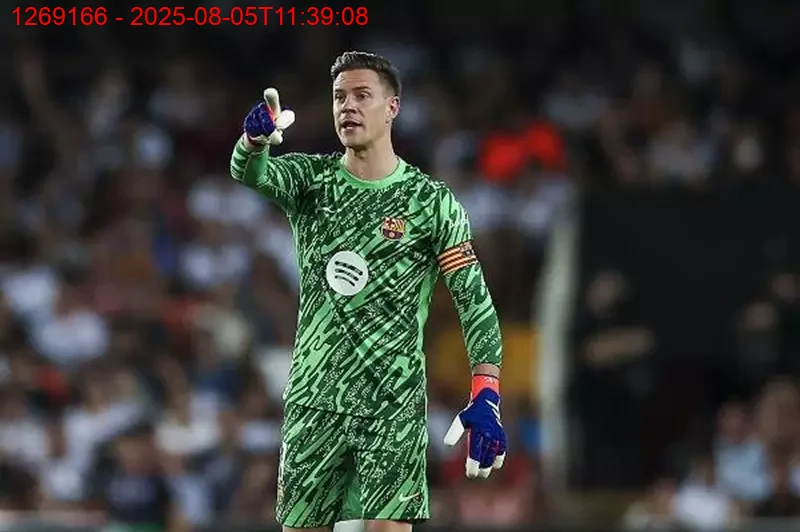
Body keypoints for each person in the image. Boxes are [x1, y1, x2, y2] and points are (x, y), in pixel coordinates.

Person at [229, 51, 506, 532]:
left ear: (392, 107)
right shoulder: (311, 181)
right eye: (339, 97)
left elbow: (473, 299)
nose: (348, 107)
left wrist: (487, 393)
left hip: (392, 404)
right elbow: (249, 172)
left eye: (362, 96)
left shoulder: (431, 202)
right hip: (314, 399)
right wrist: (252, 141)